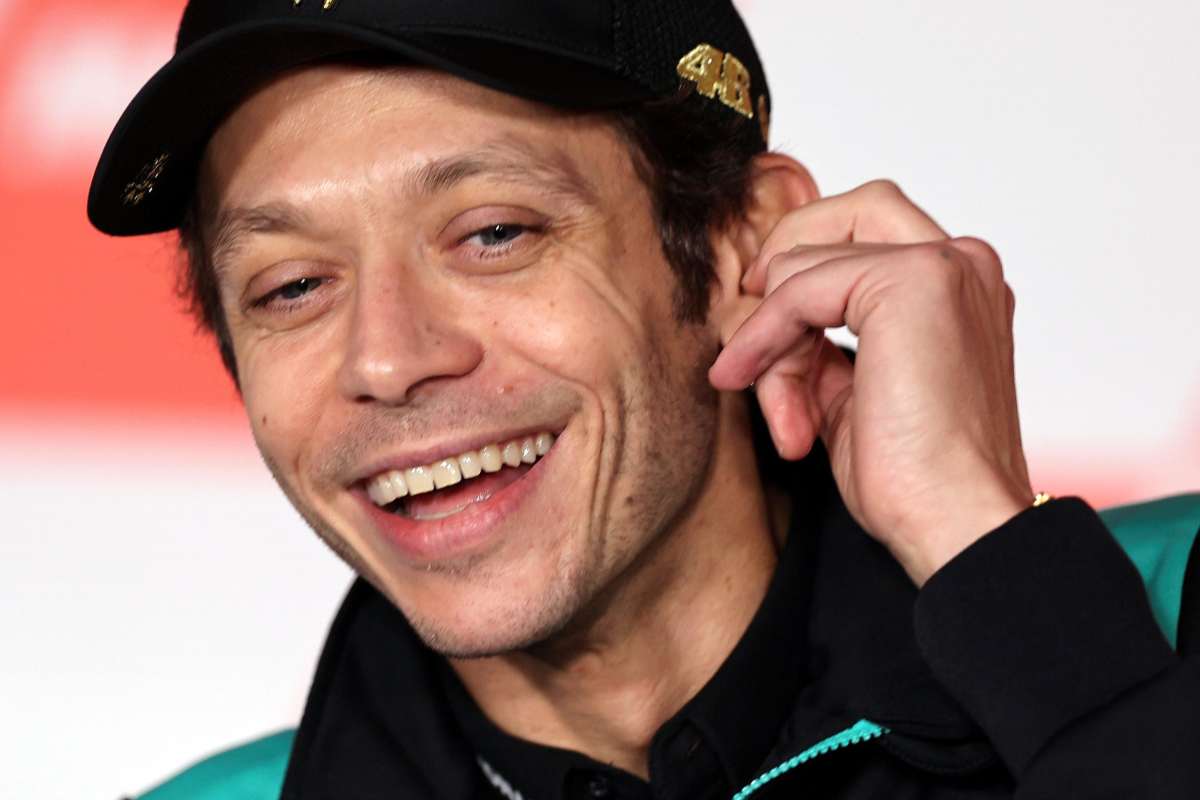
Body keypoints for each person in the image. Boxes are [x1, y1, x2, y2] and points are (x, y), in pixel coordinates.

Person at [90, 1, 1200, 798]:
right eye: (291, 287)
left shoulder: (1174, 613)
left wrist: (997, 572)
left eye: (494, 233)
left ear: (742, 247)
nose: (385, 359)